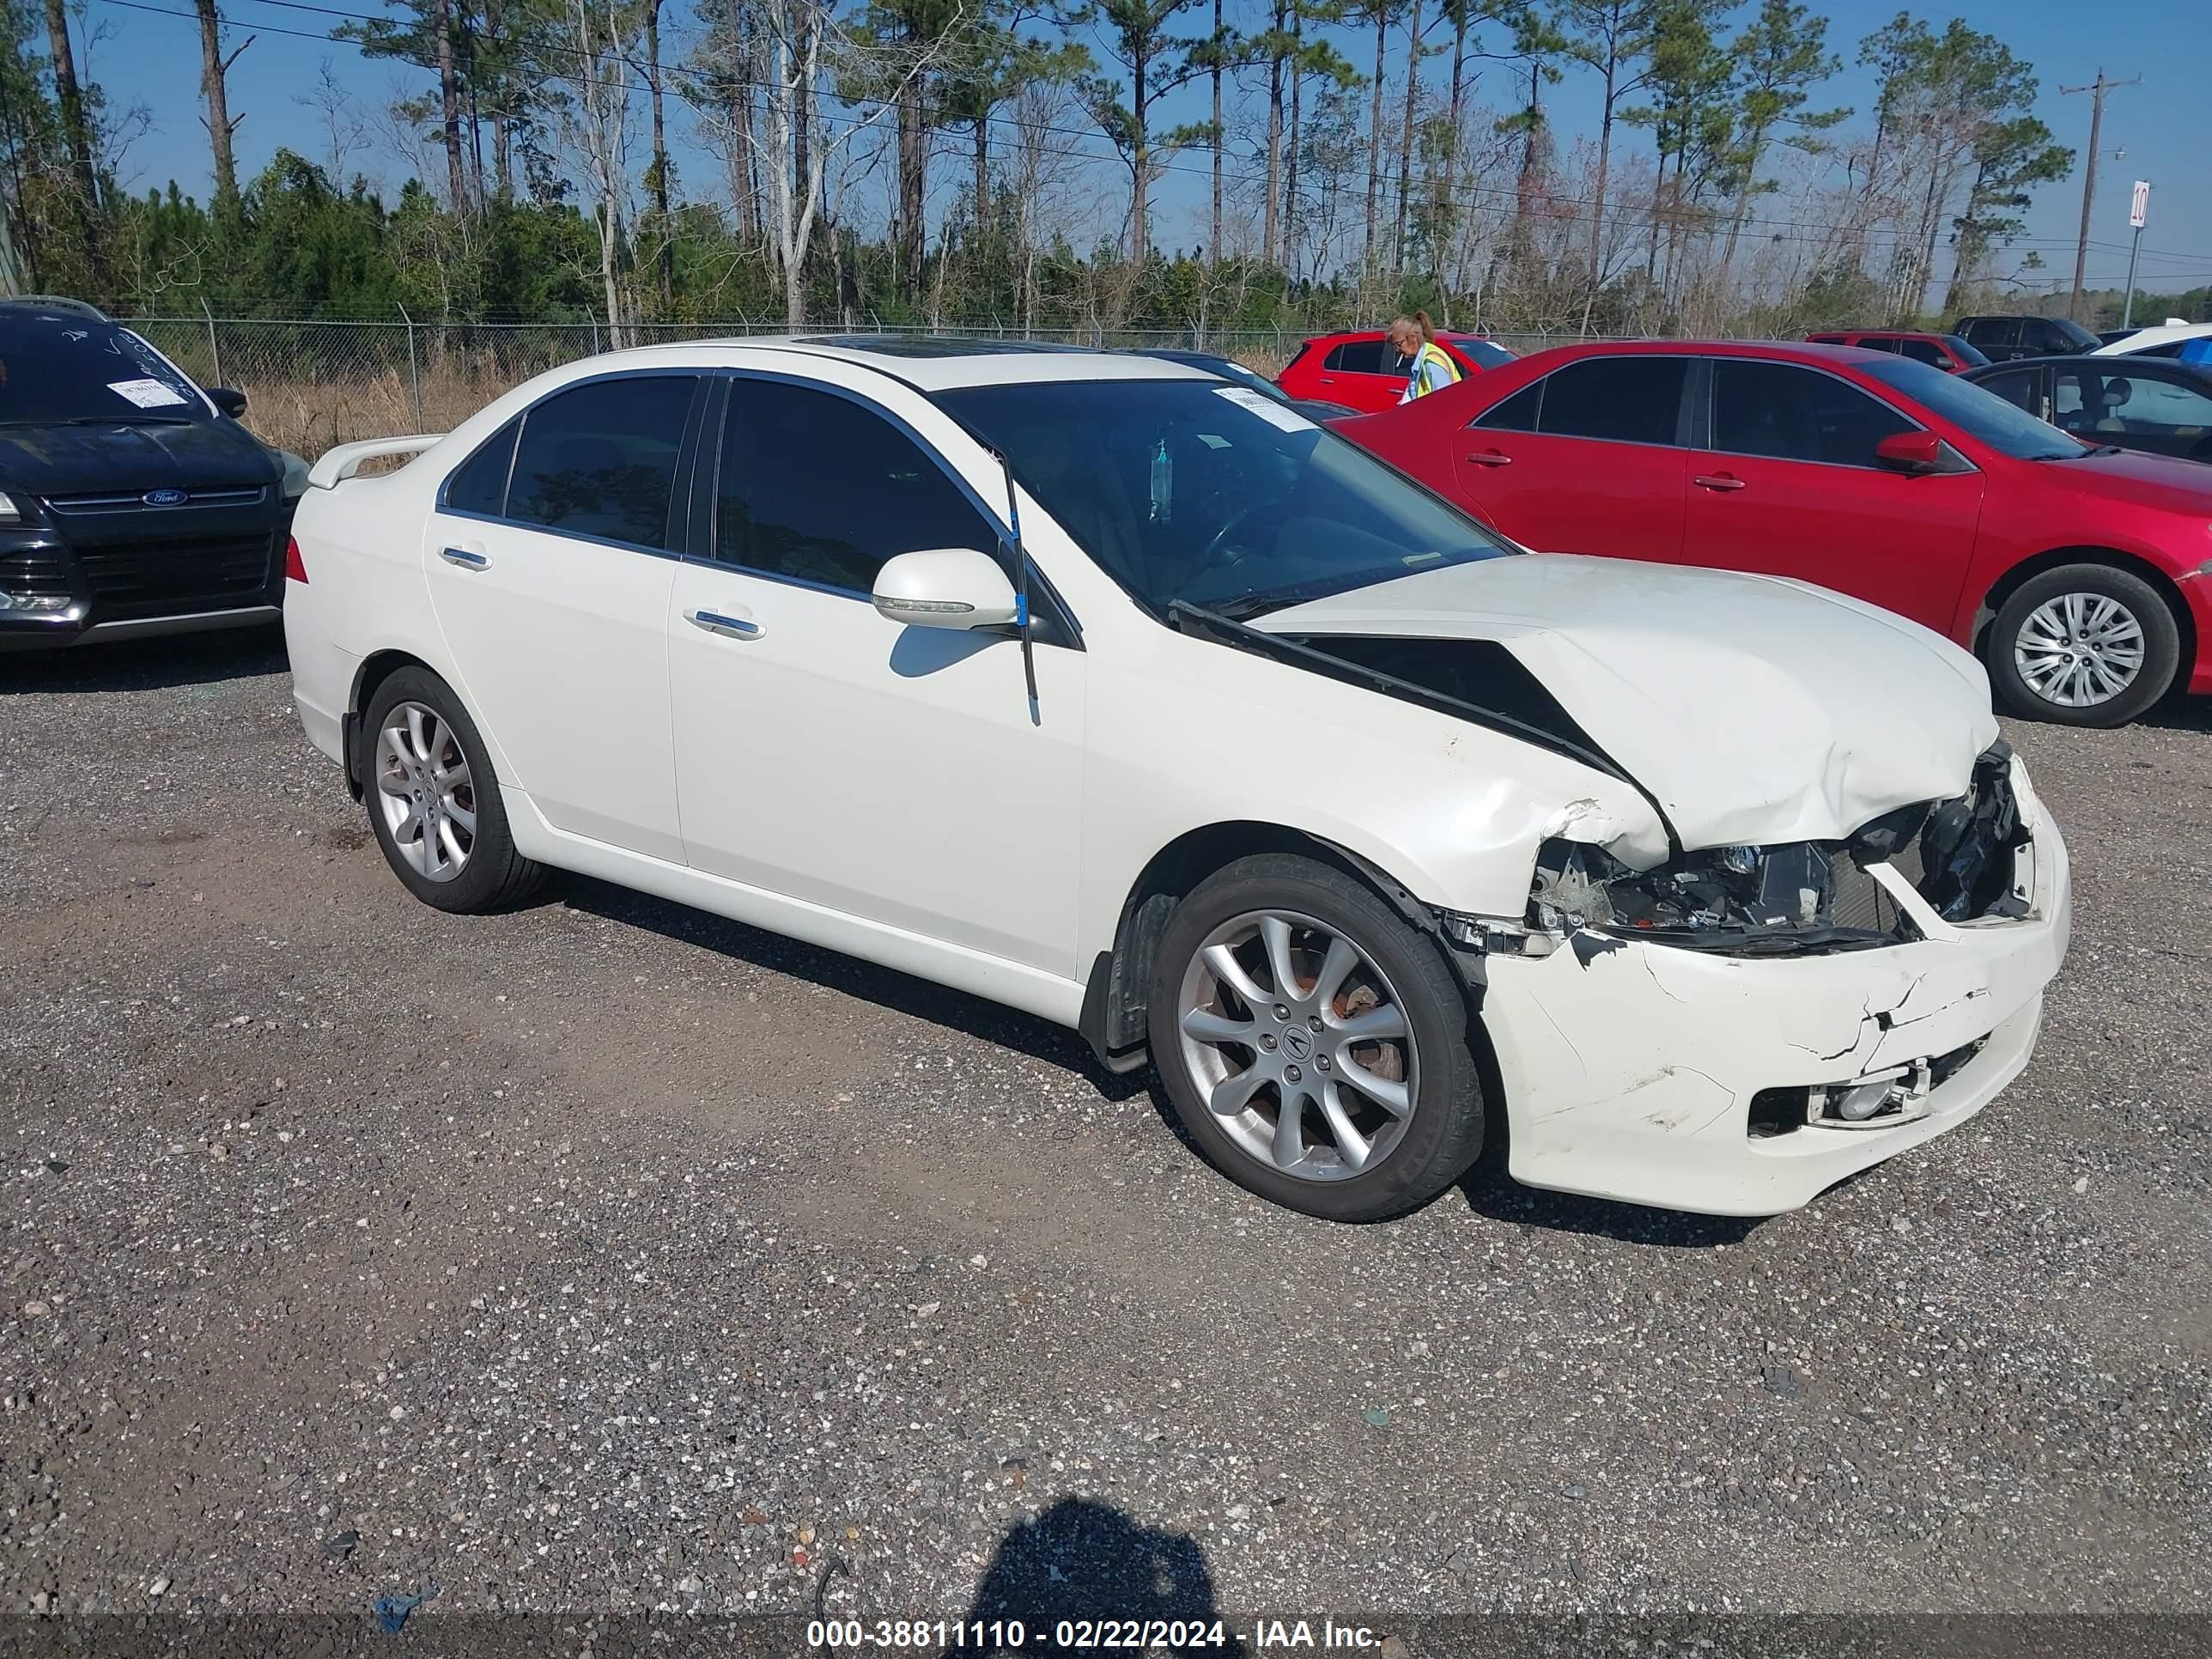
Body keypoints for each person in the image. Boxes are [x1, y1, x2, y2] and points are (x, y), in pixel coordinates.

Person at [1388, 311, 1462, 404]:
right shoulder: (1420, 359)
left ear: (1413, 338)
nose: (1397, 350)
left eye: (1399, 344)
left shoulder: (1431, 362)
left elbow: (1444, 402)